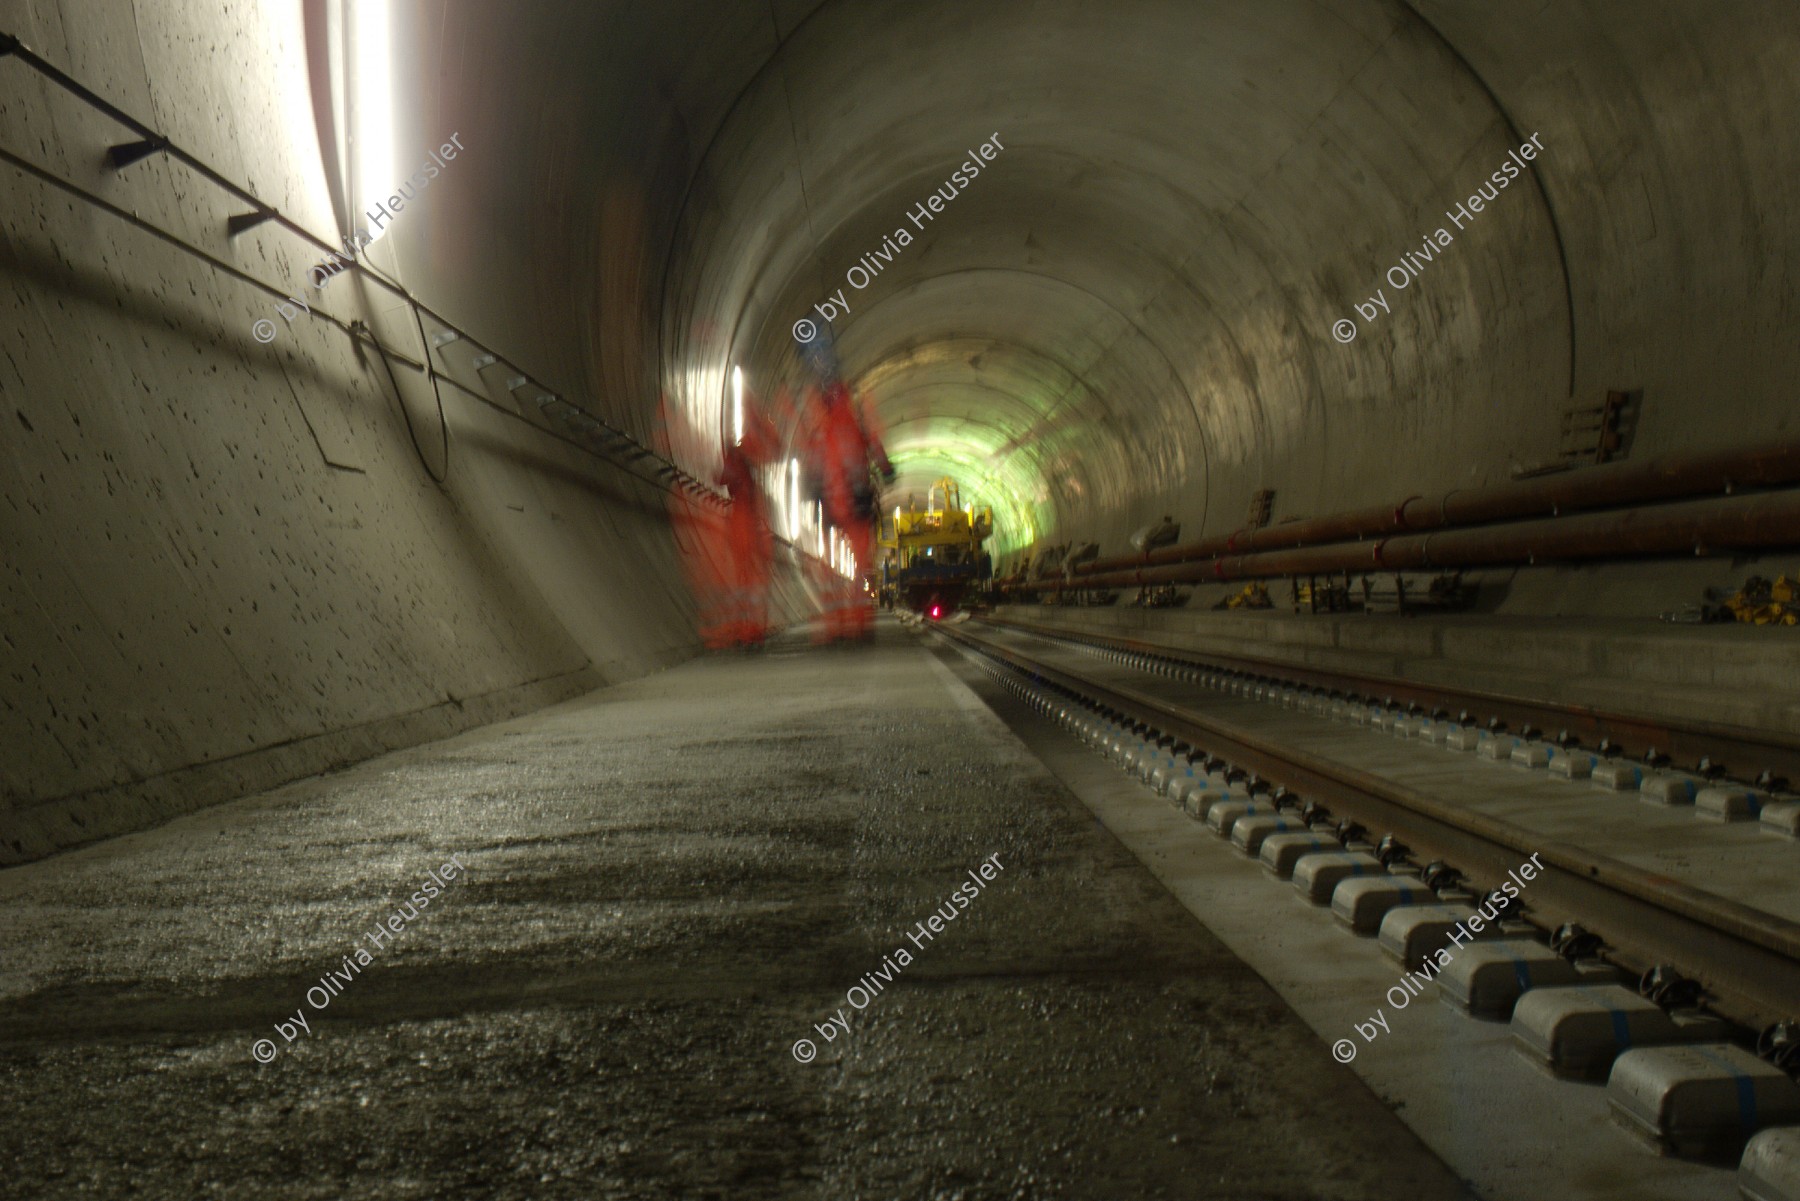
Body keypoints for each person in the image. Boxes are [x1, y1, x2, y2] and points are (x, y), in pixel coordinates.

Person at [799, 342, 893, 641]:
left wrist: (808, 491)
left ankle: (835, 623)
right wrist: (887, 469)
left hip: (830, 503)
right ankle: (860, 624)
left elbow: (811, 460)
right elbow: (875, 447)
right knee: (861, 565)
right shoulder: (858, 415)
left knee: (828, 566)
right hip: (858, 500)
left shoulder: (820, 423)